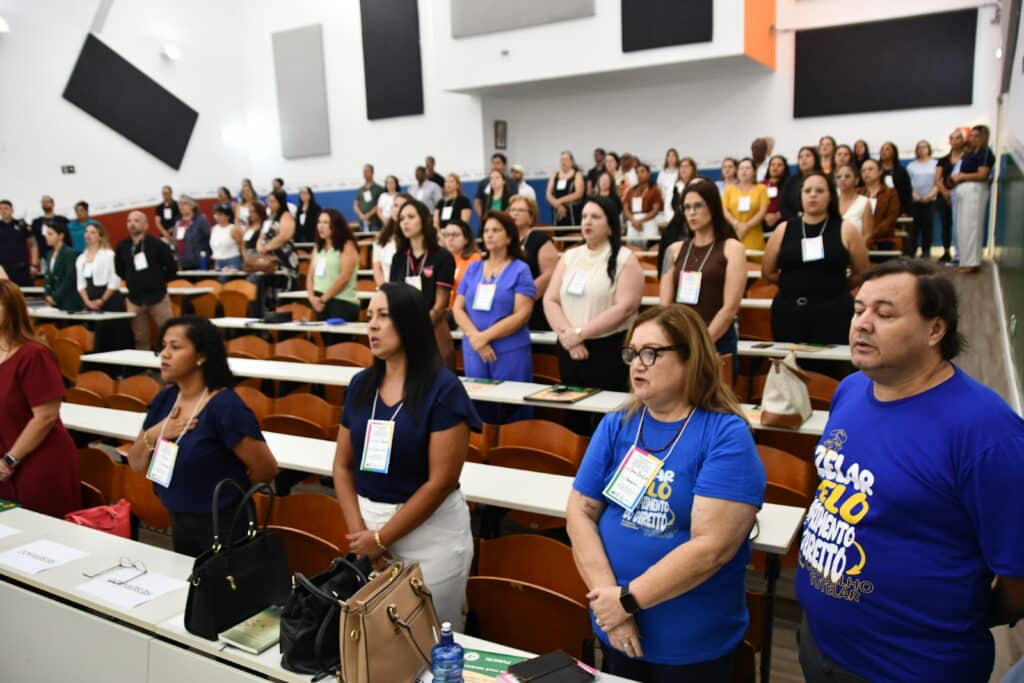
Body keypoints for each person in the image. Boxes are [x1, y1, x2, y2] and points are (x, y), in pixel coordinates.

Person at [797, 259, 1024, 683]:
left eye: (884, 314)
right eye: (858, 309)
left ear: (935, 330)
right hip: (820, 645)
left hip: (908, 667)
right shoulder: (851, 390)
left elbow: (1018, 578)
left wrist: (954, 614)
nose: (863, 324)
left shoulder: (986, 431)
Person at [567, 304, 766, 682]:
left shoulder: (726, 435)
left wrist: (626, 601)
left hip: (689, 645)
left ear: (691, 358)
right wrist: (611, 602)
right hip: (616, 629)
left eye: (651, 353)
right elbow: (580, 511)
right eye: (631, 353)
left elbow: (711, 549)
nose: (636, 364)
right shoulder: (617, 423)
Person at [332, 283, 481, 628]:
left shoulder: (443, 389)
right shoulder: (361, 385)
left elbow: (440, 482)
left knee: (430, 640)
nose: (371, 325)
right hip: (368, 535)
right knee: (380, 644)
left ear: (410, 322)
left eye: (384, 316)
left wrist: (381, 539)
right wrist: (362, 539)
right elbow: (341, 465)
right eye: (369, 316)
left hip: (430, 539)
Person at [126, 316, 279, 556]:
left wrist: (229, 495)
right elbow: (135, 463)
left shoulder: (225, 406)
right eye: (163, 346)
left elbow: (266, 468)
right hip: (178, 517)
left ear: (201, 355)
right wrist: (157, 432)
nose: (164, 354)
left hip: (223, 522)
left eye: (175, 347)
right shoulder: (165, 399)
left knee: (221, 590)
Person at [543, 196, 644, 406]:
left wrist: (580, 334)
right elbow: (550, 300)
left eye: (595, 217)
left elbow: (626, 307)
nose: (587, 221)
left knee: (606, 416)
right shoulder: (570, 256)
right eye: (584, 216)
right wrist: (568, 336)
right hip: (568, 346)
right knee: (573, 415)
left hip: (608, 349)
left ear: (610, 225)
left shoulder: (625, 259)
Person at [763, 172, 869, 357]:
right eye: (808, 190)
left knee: (828, 374)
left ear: (830, 196)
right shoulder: (784, 229)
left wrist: (834, 287)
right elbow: (768, 271)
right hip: (789, 312)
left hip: (833, 312)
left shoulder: (846, 229)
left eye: (819, 190)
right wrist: (794, 284)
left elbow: (861, 272)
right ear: (800, 196)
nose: (813, 195)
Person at [0, 281, 81, 518]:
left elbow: (45, 416)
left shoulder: (34, 354)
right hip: (5, 464)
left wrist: (10, 460)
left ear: (12, 310)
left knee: (42, 541)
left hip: (38, 461)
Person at [452, 211, 535, 418]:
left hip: (509, 350)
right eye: (486, 230)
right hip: (475, 349)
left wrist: (484, 337)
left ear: (509, 237)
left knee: (512, 409)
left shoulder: (520, 269)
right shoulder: (473, 268)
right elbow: (457, 308)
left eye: (496, 230)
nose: (489, 235)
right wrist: (476, 338)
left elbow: (521, 315)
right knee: (480, 409)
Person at [660, 181, 746, 358]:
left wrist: (701, 344)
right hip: (680, 339)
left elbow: (730, 309)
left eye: (698, 205)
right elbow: (665, 305)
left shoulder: (732, 248)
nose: (692, 212)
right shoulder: (673, 250)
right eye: (687, 207)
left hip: (717, 340)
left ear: (713, 207)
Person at [389, 199, 457, 369]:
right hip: (404, 330)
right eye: (402, 218)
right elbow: (393, 298)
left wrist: (418, 328)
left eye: (411, 216)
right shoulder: (398, 258)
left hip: (433, 329)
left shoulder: (442, 257)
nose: (405, 222)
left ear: (424, 220)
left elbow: (440, 305)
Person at [115, 210, 177, 350]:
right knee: (140, 337)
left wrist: (157, 281)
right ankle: (145, 369)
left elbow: (171, 269)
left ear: (146, 225)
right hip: (134, 299)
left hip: (158, 297)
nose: (132, 224)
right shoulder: (122, 246)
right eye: (129, 221)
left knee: (169, 333)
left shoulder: (157, 245)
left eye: (136, 221)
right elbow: (119, 269)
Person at [76, 223, 132, 351]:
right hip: (90, 301)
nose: (88, 235)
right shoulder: (80, 258)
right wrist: (88, 302)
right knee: (93, 338)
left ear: (100, 236)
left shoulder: (109, 255)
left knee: (112, 337)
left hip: (109, 299)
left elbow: (115, 280)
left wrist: (102, 300)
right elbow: (80, 284)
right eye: (86, 232)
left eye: (93, 232)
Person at [509, 194, 559, 331]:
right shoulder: (506, 241)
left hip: (534, 305)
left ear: (531, 217)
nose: (514, 214)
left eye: (520, 210)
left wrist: (523, 298)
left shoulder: (540, 239)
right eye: (512, 210)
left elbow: (549, 275)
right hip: (507, 306)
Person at [950, 124, 995, 273]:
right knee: (963, 228)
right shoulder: (970, 153)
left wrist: (963, 176)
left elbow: (982, 175)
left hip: (975, 192)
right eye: (972, 136)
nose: (973, 139)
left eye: (976, 136)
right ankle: (965, 260)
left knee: (972, 227)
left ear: (983, 137)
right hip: (963, 192)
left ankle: (972, 263)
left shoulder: (986, 153)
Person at [307, 208, 360, 322]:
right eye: (319, 222)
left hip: (341, 301)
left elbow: (344, 277)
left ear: (336, 225)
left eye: (325, 222)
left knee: (337, 340)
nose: (321, 226)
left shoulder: (347, 246)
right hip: (319, 301)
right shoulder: (318, 247)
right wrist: (311, 297)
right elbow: (310, 276)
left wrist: (323, 300)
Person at [723, 158, 770, 251]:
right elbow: (725, 210)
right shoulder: (729, 189)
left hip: (754, 234)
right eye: (741, 168)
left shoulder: (761, 189)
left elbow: (763, 211)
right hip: (734, 233)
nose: (744, 171)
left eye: (748, 168)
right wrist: (736, 224)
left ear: (754, 171)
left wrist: (747, 226)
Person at [935, 129, 965, 263]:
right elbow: (938, 179)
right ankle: (946, 251)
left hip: (962, 196)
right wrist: (946, 194)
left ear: (963, 140)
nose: (954, 141)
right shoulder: (943, 160)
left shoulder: (967, 158)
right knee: (946, 224)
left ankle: (962, 253)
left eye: (958, 138)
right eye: (952, 138)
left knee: (961, 225)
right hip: (944, 196)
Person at [906, 140, 939, 258]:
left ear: (929, 148)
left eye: (924, 147)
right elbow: (908, 184)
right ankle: (911, 251)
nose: (921, 149)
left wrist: (929, 196)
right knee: (913, 228)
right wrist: (915, 195)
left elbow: (938, 182)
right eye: (919, 147)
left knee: (928, 227)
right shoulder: (911, 166)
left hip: (930, 201)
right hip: (915, 201)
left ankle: (926, 251)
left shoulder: (936, 164)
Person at [441, 219, 481, 308]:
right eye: (446, 235)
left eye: (455, 235)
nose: (450, 238)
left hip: (464, 310)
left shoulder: (475, 259)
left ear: (466, 239)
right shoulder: (442, 259)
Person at [859, 159, 900, 246]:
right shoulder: (857, 193)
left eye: (870, 169)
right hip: (858, 237)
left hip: (882, 239)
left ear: (880, 172)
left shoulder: (890, 193)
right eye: (863, 170)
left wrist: (871, 235)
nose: (866, 173)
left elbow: (890, 219)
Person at [372, 193, 410, 287]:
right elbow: (377, 267)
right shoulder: (381, 237)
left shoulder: (414, 237)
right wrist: (384, 291)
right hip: (388, 290)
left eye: (403, 206)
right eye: (395, 205)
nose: (398, 209)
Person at [43, 222, 82, 311]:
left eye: (50, 234)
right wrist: (48, 295)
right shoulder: (49, 254)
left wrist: (55, 297)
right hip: (53, 301)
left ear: (61, 236)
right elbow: (48, 278)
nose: (46, 237)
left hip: (67, 301)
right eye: (46, 234)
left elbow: (69, 278)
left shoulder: (69, 253)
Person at [622, 162, 664, 246]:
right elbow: (625, 208)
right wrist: (633, 220)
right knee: (632, 247)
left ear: (648, 174)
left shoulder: (655, 190)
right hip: (633, 222)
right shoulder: (631, 191)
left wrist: (641, 221)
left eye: (642, 171)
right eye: (637, 172)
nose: (639, 174)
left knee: (649, 248)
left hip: (648, 221)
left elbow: (655, 210)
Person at [779, 146, 822, 227]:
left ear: (815, 159)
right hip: (795, 223)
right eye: (801, 157)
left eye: (808, 156)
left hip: (819, 221)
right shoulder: (791, 181)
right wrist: (794, 221)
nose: (804, 159)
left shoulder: (823, 179)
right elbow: (783, 205)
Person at [0, 200, 38, 286]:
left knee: (28, 295)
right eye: (0, 209)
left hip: (21, 269)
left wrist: (34, 265)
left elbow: (33, 245)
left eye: (6, 208)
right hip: (3, 270)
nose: (3, 211)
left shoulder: (22, 225)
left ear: (12, 210)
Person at [173, 195, 212, 270]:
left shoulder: (201, 220)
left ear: (192, 206)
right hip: (183, 263)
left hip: (200, 262)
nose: (181, 206)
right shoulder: (178, 222)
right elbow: (175, 243)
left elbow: (210, 237)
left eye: (185, 203)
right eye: (179, 204)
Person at [30, 195, 68, 272]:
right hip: (44, 256)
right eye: (43, 202)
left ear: (53, 204)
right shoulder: (36, 222)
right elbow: (34, 242)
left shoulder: (62, 220)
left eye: (47, 202)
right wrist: (35, 259)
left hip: (62, 254)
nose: (45, 204)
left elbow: (68, 238)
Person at [474, 153, 516, 220]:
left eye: (498, 163)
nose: (495, 166)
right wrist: (483, 217)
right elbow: (477, 201)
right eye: (493, 163)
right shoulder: (483, 182)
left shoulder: (511, 182)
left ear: (504, 165)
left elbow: (514, 201)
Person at [835, 163, 873, 236]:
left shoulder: (864, 202)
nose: (842, 179)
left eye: (847, 176)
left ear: (856, 180)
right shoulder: (830, 201)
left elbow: (867, 235)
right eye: (839, 177)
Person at [878, 141, 912, 215]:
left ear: (894, 153)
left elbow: (907, 192)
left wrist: (906, 211)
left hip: (898, 208)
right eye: (882, 149)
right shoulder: (876, 169)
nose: (883, 152)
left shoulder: (901, 171)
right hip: (879, 209)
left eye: (887, 149)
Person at [762, 154, 790, 238]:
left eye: (779, 165)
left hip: (783, 224)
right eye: (773, 164)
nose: (775, 167)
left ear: (785, 168)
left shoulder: (790, 184)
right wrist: (764, 215)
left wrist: (777, 216)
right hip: (763, 225)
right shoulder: (761, 185)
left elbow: (792, 204)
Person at [209, 204, 242, 271]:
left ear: (228, 216)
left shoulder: (233, 229)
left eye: (220, 214)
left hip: (232, 261)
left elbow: (241, 245)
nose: (218, 217)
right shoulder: (213, 229)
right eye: (216, 214)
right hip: (218, 261)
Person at [353, 164, 384, 231]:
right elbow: (355, 205)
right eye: (364, 172)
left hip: (375, 222)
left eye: (367, 171)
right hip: (363, 222)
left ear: (372, 173)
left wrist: (368, 215)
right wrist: (361, 215)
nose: (365, 173)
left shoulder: (379, 189)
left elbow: (379, 205)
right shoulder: (360, 190)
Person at [657, 148, 681, 223]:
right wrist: (664, 200)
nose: (671, 158)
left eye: (673, 156)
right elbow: (659, 187)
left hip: (677, 200)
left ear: (677, 158)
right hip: (666, 201)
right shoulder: (662, 172)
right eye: (669, 156)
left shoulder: (679, 171)